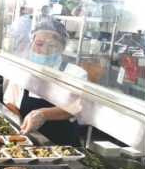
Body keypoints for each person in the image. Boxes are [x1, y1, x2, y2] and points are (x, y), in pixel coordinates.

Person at [5, 18, 87, 146]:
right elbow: (11, 103)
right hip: (27, 140)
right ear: (32, 43)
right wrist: (19, 129)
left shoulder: (75, 73)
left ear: (62, 48)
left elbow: (76, 107)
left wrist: (44, 114)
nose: (44, 50)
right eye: (39, 44)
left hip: (62, 145)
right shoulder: (23, 69)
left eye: (52, 46)